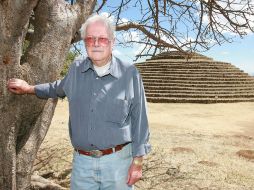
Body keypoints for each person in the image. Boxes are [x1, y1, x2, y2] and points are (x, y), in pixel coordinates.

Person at [7, 14, 151, 190]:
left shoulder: (129, 73)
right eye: (90, 39)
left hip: (118, 164)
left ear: (112, 42)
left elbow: (140, 118)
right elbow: (58, 87)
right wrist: (29, 88)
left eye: (102, 39)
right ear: (84, 43)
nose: (96, 43)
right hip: (82, 165)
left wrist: (138, 161)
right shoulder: (76, 68)